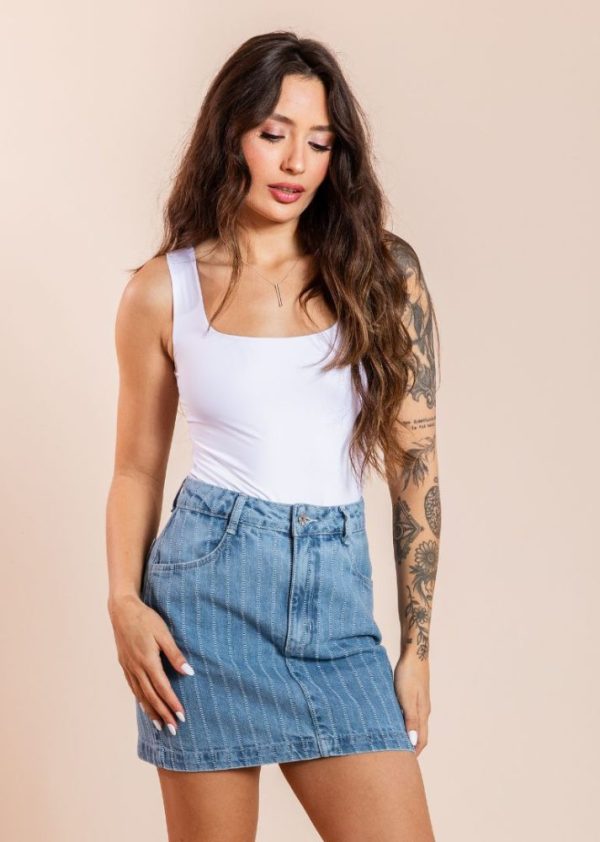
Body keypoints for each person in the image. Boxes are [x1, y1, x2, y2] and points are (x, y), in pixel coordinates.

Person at [106, 30, 440, 842]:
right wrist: (123, 602)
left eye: (319, 142)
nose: (295, 162)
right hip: (205, 606)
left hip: (337, 608)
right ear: (232, 135)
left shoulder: (384, 275)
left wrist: (417, 649)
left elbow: (416, 466)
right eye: (274, 134)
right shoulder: (163, 291)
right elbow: (137, 469)